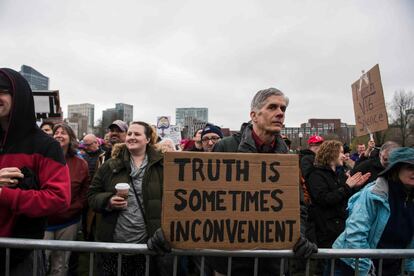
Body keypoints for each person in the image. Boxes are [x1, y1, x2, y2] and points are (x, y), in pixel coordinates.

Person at [210, 87, 317, 276]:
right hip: (230, 259)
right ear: (254, 115)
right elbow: (208, 198)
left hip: (272, 260)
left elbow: (297, 204)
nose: (280, 113)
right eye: (272, 107)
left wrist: (296, 235)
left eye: (283, 109)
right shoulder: (226, 147)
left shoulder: (287, 156)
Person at [0, 68, 71, 275]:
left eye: (2, 91)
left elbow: (58, 198)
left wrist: (5, 195)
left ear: (19, 96)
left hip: (21, 253)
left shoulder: (45, 145)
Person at [88, 121, 172, 276]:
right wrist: (108, 201)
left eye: (137, 134)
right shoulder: (110, 165)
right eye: (129, 134)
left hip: (148, 245)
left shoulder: (163, 166)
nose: (132, 137)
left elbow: (173, 201)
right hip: (115, 243)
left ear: (148, 139)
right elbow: (92, 196)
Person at [333, 147, 414, 276]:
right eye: (410, 168)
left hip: (390, 268)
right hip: (354, 267)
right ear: (396, 169)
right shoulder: (373, 194)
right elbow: (356, 234)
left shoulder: (410, 197)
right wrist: (366, 271)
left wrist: (410, 269)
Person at [307, 140, 371, 250]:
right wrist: (347, 187)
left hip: (340, 230)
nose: (344, 156)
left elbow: (345, 196)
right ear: (332, 153)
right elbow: (324, 199)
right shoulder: (316, 174)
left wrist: (355, 187)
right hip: (325, 233)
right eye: (341, 152)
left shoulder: (339, 174)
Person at [44, 123, 89, 276]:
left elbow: (85, 191)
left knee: (61, 265)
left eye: (63, 133)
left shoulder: (80, 163)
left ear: (70, 138)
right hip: (44, 221)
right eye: (56, 132)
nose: (59, 135)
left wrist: (74, 208)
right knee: (41, 261)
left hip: (69, 221)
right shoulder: (43, 159)